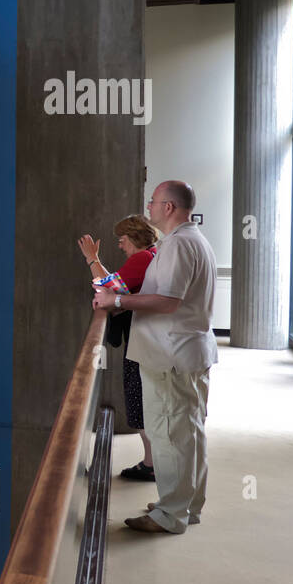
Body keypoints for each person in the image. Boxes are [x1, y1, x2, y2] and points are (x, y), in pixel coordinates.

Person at [93, 181, 217, 534]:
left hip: (170, 355)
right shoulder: (193, 241)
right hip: (185, 352)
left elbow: (167, 301)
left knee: (168, 435)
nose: (148, 207)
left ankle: (170, 514)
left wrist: (116, 302)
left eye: (153, 201)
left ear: (168, 207)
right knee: (188, 432)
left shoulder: (179, 245)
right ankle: (186, 505)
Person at [78, 214, 159, 481]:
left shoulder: (142, 258)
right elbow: (116, 287)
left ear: (135, 238)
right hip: (146, 338)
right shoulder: (151, 256)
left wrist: (92, 260)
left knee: (140, 403)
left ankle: (152, 464)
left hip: (142, 341)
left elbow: (110, 287)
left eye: (122, 240)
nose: (120, 246)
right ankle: (151, 462)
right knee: (142, 402)